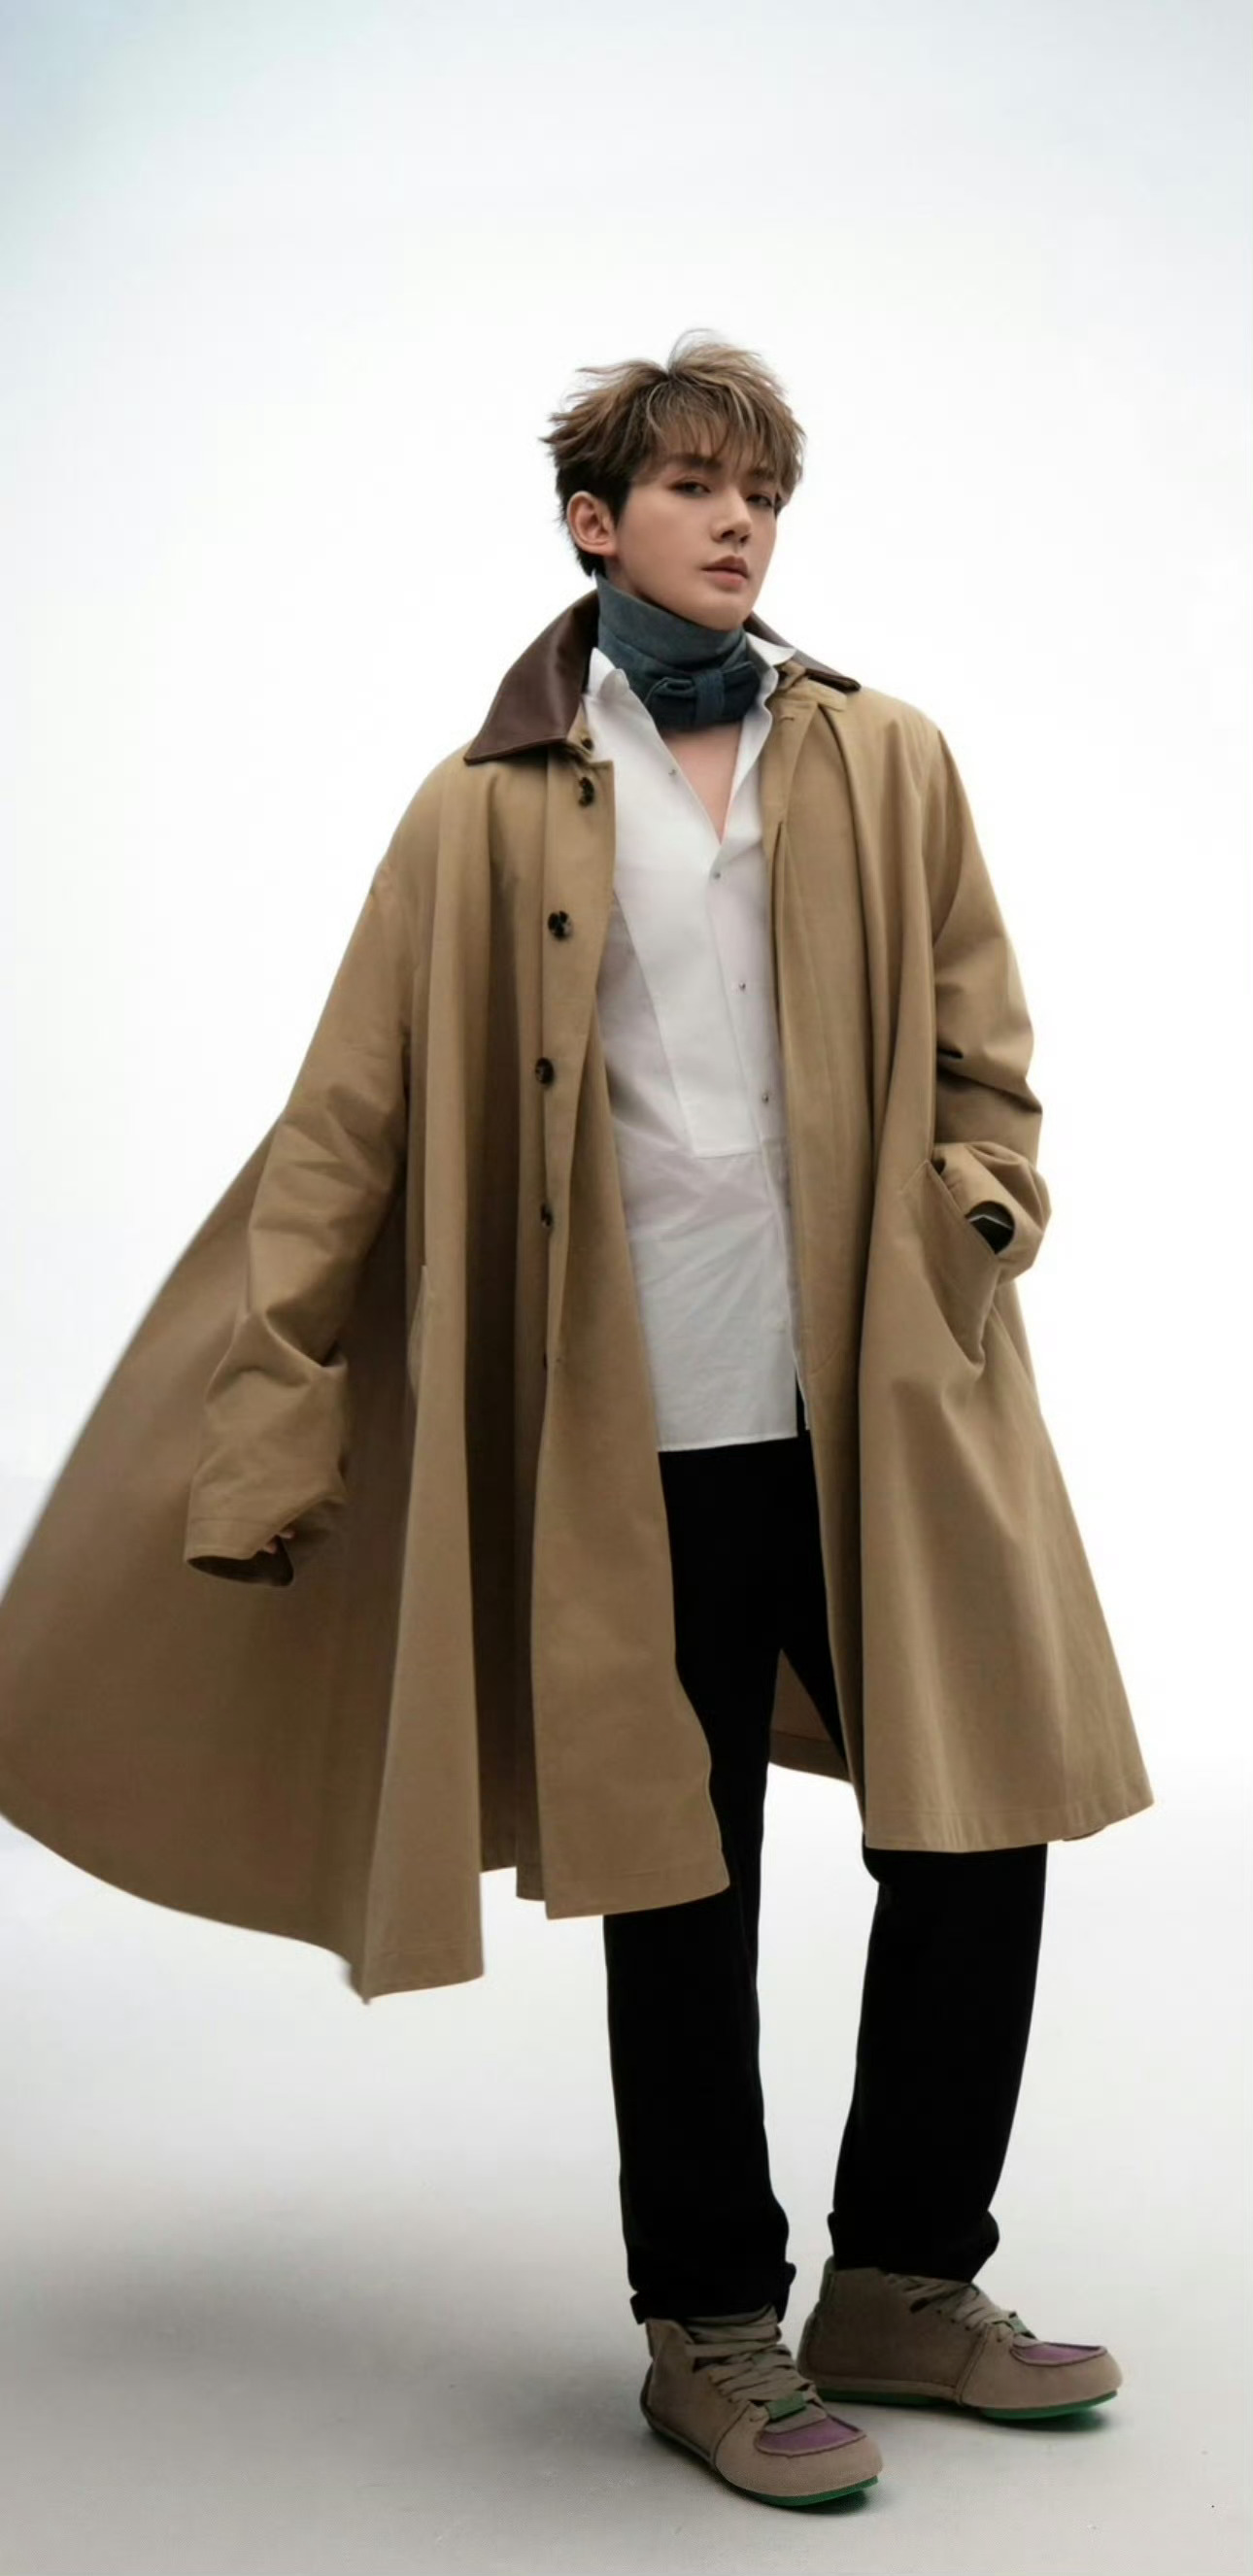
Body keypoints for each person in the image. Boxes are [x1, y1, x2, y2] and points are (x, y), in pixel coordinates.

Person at [0, 330, 1152, 2515]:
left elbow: (986, 1059)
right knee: (672, 1871)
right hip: (628, 1437)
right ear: (593, 523)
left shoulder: (887, 758)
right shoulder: (481, 811)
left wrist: (973, 1216)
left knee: (977, 1827)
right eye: (695, 487)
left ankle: (905, 2277)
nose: (739, 524)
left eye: (763, 494)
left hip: (882, 1411)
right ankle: (708, 2326)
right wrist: (272, 1414)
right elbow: (341, 1132)